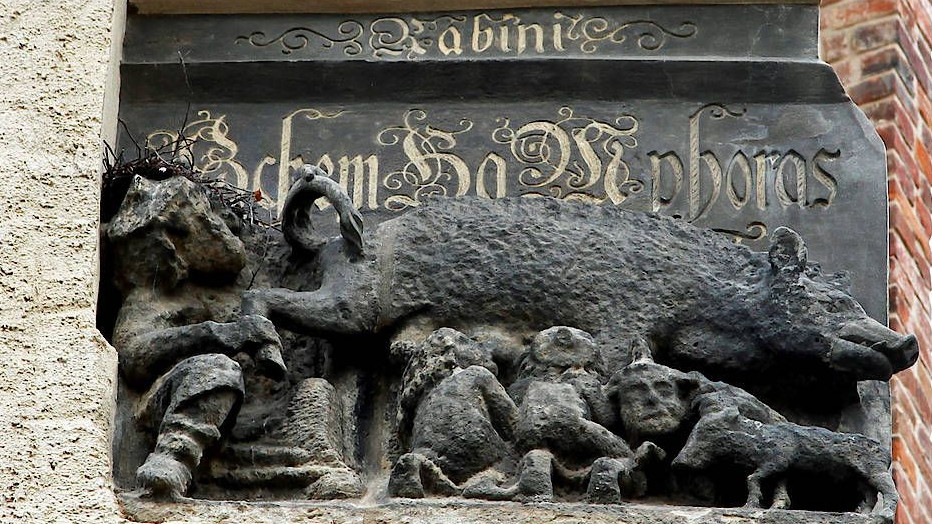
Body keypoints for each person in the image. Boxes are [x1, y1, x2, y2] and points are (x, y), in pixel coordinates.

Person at [108, 175, 285, 499]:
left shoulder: (228, 290)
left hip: (243, 410)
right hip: (164, 401)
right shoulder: (151, 295)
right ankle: (172, 460)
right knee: (215, 369)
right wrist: (218, 335)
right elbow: (133, 353)